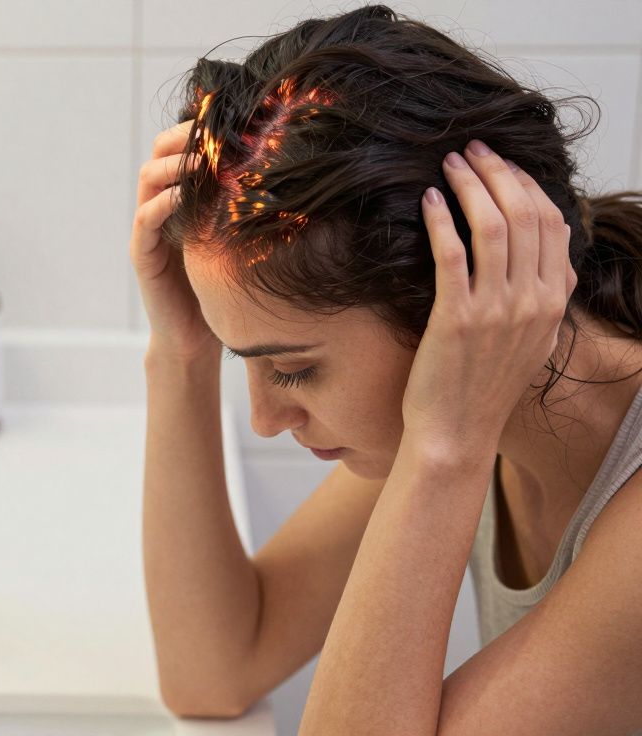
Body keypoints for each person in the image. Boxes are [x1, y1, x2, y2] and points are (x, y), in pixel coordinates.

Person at [132, 4, 642, 733]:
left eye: (295, 370)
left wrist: (446, 447)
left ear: (452, 307)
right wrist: (183, 352)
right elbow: (213, 672)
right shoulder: (471, 412)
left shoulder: (459, 424)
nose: (266, 420)